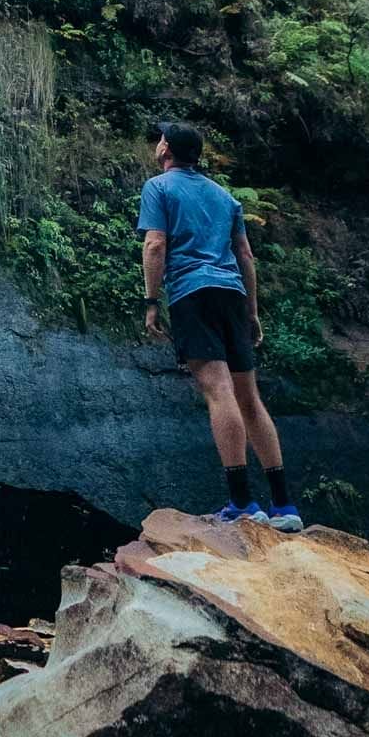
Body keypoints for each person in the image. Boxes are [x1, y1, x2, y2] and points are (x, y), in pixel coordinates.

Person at [138, 122, 303, 530]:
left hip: (193, 294)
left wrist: (151, 302)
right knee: (249, 398)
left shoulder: (158, 188)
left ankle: (243, 503)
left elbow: (155, 244)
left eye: (160, 139)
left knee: (218, 391)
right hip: (232, 294)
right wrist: (252, 311)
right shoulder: (225, 196)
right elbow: (245, 255)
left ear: (166, 149)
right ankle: (284, 507)